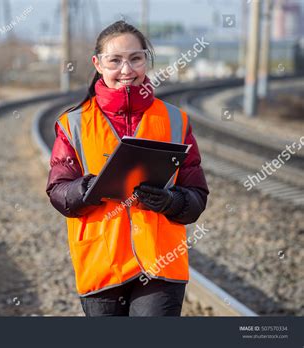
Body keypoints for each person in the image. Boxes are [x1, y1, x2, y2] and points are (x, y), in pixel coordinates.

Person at [46, 21, 209, 316]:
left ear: (146, 59)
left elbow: (197, 195)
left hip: (160, 264)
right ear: (97, 63)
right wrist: (88, 188)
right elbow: (58, 191)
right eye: (115, 60)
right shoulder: (74, 123)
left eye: (135, 59)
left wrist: (172, 202)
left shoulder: (175, 120)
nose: (126, 70)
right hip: (101, 263)